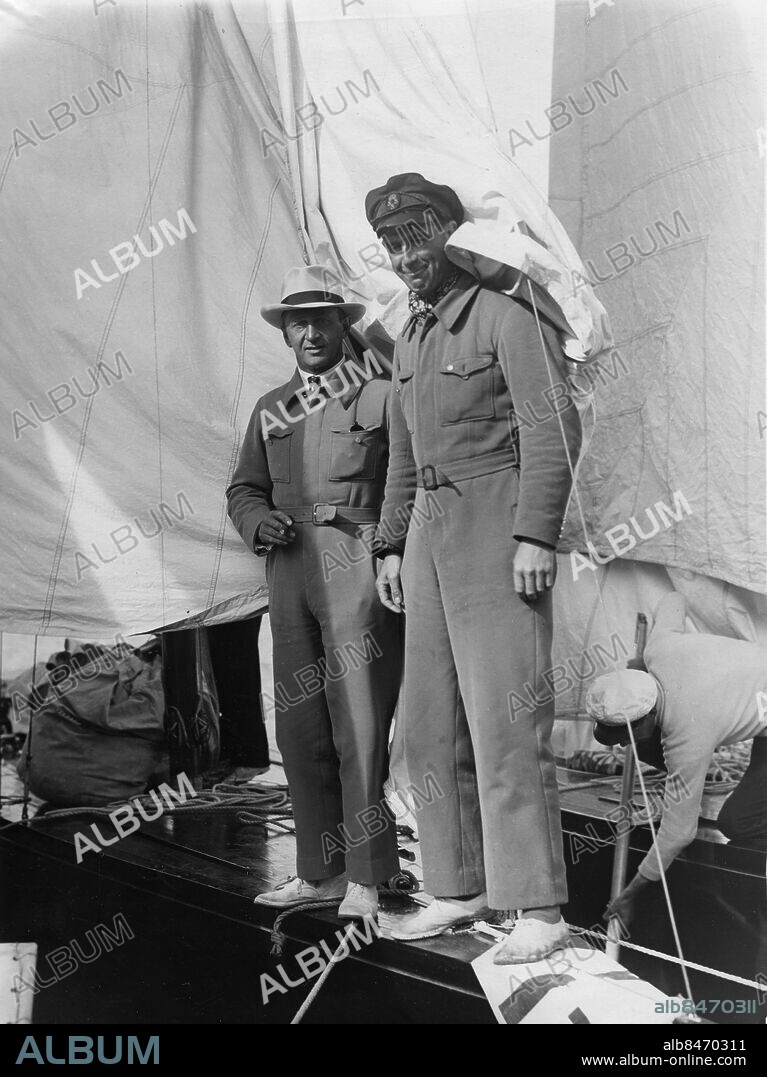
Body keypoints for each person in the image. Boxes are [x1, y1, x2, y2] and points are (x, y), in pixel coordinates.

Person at [366, 173, 582, 963]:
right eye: (390, 243)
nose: (404, 255)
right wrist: (390, 543)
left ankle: (536, 905)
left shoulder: (505, 313)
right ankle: (458, 887)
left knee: (505, 718)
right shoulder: (412, 335)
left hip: (496, 521)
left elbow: (553, 426)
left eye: (415, 236)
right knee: (428, 723)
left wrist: (534, 534)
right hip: (426, 534)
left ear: (451, 234)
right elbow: (401, 452)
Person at [226, 265, 402, 920]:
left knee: (358, 721)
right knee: (299, 729)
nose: (309, 332)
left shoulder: (381, 396)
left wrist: (388, 550)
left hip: (354, 564)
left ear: (343, 325)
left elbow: (406, 484)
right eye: (296, 321)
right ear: (284, 333)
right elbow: (243, 486)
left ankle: (367, 875)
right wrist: (255, 520)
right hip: (287, 571)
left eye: (321, 319)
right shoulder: (271, 408)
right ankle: (319, 871)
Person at [587, 593, 767, 925]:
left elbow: (680, 832)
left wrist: (629, 895)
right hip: (759, 687)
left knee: (740, 822)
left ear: (647, 719)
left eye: (626, 737)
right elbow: (673, 599)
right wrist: (641, 658)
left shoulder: (687, 734)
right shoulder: (659, 649)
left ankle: (756, 905)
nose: (623, 747)